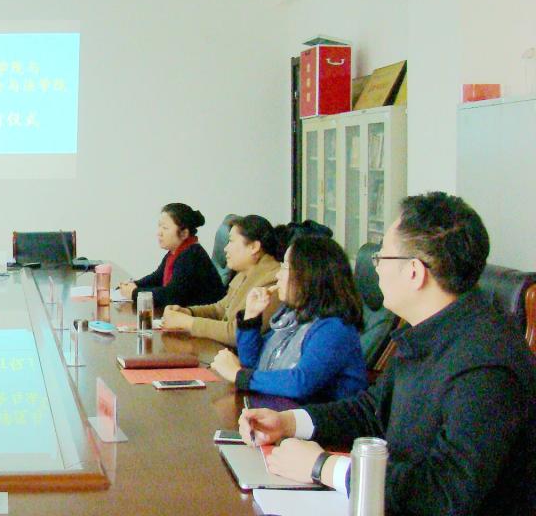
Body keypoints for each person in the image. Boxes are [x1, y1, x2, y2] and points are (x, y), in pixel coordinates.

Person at [239, 193, 536, 515]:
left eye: (382, 257)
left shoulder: (486, 363)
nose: (376, 268)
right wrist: (288, 422)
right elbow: (373, 409)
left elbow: (445, 492)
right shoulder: (430, 332)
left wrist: (323, 466)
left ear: (413, 272)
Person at [210, 235, 367, 402]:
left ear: (310, 275)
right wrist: (251, 319)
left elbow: (300, 383)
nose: (279, 275)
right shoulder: (292, 315)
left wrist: (239, 375)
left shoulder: (335, 328)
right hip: (278, 409)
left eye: (285, 267)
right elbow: (253, 363)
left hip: (314, 416)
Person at [161, 215, 281, 346]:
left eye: (231, 241)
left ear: (254, 247)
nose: (225, 248)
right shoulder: (245, 272)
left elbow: (237, 333)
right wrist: (188, 312)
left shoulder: (273, 281)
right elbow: (221, 309)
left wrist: (187, 323)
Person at [116, 204, 225, 308]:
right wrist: (133, 285)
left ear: (184, 233)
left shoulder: (192, 255)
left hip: (205, 317)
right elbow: (157, 278)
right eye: (159, 226)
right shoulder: (176, 252)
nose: (159, 233)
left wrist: (135, 293)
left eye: (165, 228)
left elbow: (172, 295)